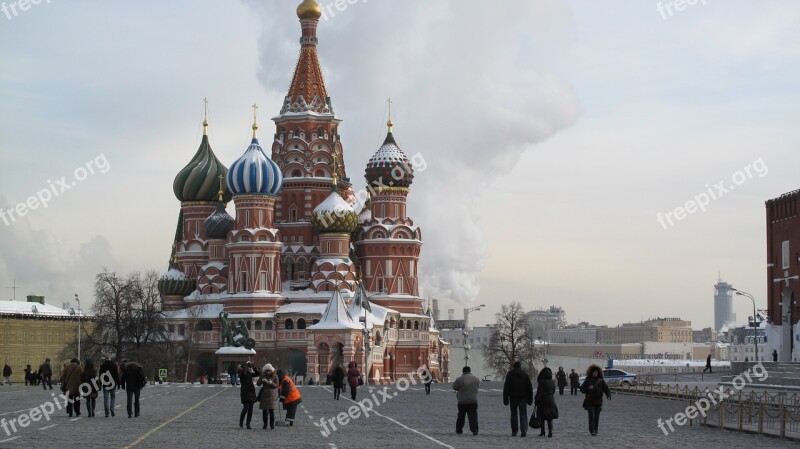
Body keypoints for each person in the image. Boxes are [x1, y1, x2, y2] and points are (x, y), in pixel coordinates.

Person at [502, 361, 533, 437]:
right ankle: (524, 430)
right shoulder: (525, 375)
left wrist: (505, 399)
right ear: (520, 366)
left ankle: (514, 431)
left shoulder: (510, 375)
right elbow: (529, 388)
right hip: (523, 397)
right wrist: (530, 399)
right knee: (523, 414)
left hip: (513, 397)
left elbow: (506, 387)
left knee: (513, 415)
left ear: (514, 366)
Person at [580, 364, 611, 436]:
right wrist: (588, 388)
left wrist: (608, 395)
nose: (595, 374)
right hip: (590, 401)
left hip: (598, 401)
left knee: (597, 416)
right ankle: (592, 430)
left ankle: (596, 430)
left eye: (596, 372)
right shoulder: (588, 380)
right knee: (592, 416)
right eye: (594, 372)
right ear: (591, 372)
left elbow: (606, 389)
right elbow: (582, 389)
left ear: (598, 373)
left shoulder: (601, 380)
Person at [453, 366, 479, 435]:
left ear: (463, 371)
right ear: (470, 371)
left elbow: (454, 387)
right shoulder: (476, 379)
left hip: (462, 401)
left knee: (461, 416)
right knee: (473, 416)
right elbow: (478, 386)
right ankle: (475, 430)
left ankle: (459, 429)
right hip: (473, 400)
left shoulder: (459, 379)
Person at [535, 367, 559, 437]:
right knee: (550, 417)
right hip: (551, 399)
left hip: (543, 399)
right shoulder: (552, 381)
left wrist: (536, 399)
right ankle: (550, 431)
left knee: (542, 416)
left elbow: (539, 392)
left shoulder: (542, 381)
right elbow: (553, 391)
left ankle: (543, 431)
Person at [257, 364, 279, 429]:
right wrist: (261, 380)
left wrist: (271, 383)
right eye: (267, 371)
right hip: (264, 394)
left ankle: (272, 425)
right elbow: (258, 384)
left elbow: (277, 385)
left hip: (272, 394)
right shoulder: (262, 375)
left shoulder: (275, 376)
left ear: (271, 370)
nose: (268, 372)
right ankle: (265, 424)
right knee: (264, 411)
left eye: (269, 371)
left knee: (271, 410)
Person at [239, 361, 258, 429]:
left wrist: (254, 367)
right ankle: (241, 421)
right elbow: (243, 374)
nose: (249, 368)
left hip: (251, 392)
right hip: (245, 392)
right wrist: (245, 368)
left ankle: (248, 423)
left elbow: (257, 373)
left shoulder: (250, 374)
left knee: (250, 409)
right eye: (248, 367)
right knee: (246, 408)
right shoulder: (241, 373)